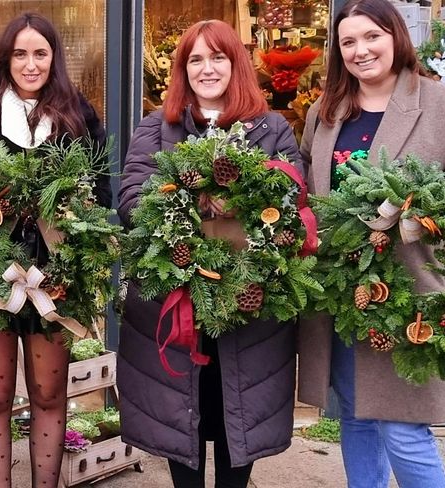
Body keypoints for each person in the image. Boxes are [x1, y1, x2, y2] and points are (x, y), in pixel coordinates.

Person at [297, 1, 445, 487]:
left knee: (403, 429)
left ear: (396, 37)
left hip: (411, 293)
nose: (360, 50)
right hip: (340, 293)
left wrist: (406, 216)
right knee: (357, 417)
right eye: (348, 42)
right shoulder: (326, 115)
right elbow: (304, 189)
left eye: (371, 37)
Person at [116, 20, 302, 488]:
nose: (207, 68)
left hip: (249, 309)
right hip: (173, 304)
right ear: (183, 70)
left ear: (235, 63)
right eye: (195, 59)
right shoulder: (158, 127)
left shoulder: (272, 128)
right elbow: (132, 200)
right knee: (183, 425)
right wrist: (192, 199)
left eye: (217, 57)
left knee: (238, 421)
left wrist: (238, 200)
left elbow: (291, 203)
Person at [0, 12, 107, 487]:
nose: (31, 64)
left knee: (48, 394)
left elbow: (100, 196)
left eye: (40, 53)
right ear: (6, 59)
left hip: (55, 278)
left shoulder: (78, 115)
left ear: (54, 58)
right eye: (20, 53)